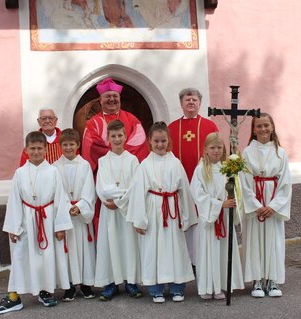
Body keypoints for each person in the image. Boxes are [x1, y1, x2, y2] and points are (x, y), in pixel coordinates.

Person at [0, 131, 73, 315]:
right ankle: (14, 296)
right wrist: (13, 227)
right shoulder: (19, 173)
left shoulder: (53, 171)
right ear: (26, 150)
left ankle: (44, 291)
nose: (36, 152)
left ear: (46, 150)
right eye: (32, 148)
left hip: (48, 219)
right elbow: (14, 201)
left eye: (39, 148)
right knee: (21, 256)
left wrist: (61, 226)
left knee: (46, 257)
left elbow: (60, 199)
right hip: (27, 219)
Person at [126, 122, 197, 303]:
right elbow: (138, 193)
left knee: (175, 248)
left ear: (168, 141)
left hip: (173, 212)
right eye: (156, 141)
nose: (160, 144)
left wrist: (187, 216)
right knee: (154, 248)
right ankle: (156, 288)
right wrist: (139, 220)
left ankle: (177, 287)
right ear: (150, 141)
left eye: (163, 141)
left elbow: (185, 191)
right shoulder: (144, 165)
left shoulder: (175, 163)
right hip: (153, 212)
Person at [239, 113, 292, 298]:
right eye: (259, 126)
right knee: (254, 241)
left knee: (273, 241)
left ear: (272, 127)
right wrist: (255, 205)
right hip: (256, 203)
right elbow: (244, 181)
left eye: (266, 125)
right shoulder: (247, 152)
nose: (263, 129)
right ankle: (257, 280)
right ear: (253, 130)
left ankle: (272, 279)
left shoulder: (280, 152)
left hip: (272, 202)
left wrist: (274, 206)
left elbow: (285, 182)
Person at [168, 88, 219, 268]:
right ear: (181, 104)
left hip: (204, 182)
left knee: (200, 220)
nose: (191, 102)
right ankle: (186, 261)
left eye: (194, 99)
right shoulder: (172, 128)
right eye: (187, 99)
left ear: (200, 103)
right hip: (180, 183)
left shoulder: (209, 126)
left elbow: (217, 152)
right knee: (185, 219)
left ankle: (201, 261)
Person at [190, 132, 244, 300]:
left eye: (219, 147)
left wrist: (232, 199)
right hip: (209, 220)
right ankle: (207, 286)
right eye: (212, 148)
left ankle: (221, 285)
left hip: (225, 218)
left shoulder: (227, 169)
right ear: (205, 149)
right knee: (209, 251)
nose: (216, 151)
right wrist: (219, 204)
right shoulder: (200, 170)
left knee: (222, 251)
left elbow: (236, 189)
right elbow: (197, 194)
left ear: (223, 149)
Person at [94, 120, 142, 301]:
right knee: (110, 244)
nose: (117, 139)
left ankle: (131, 281)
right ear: (107, 138)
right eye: (113, 136)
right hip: (110, 211)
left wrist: (120, 200)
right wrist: (111, 198)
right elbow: (101, 187)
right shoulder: (103, 161)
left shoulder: (133, 160)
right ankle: (111, 283)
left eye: (120, 135)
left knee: (128, 244)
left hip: (127, 210)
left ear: (125, 136)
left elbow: (135, 185)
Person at [53, 129, 97, 302]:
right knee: (67, 250)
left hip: (80, 217)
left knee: (84, 250)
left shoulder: (85, 165)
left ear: (78, 145)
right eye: (65, 144)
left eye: (72, 144)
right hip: (66, 216)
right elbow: (56, 192)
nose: (69, 147)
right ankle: (69, 286)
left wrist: (79, 207)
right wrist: (65, 208)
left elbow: (90, 190)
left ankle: (86, 284)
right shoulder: (55, 167)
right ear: (60, 146)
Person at [81, 77, 148, 174]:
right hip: (104, 172)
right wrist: (116, 155)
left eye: (115, 96)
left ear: (120, 98)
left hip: (129, 171)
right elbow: (92, 147)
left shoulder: (132, 119)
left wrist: (121, 155)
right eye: (107, 96)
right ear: (100, 100)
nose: (112, 99)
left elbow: (139, 143)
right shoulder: (93, 123)